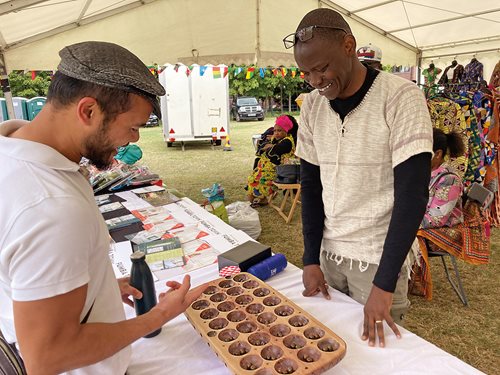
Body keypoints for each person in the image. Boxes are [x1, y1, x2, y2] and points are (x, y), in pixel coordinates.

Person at [0, 41, 206, 374]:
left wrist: (99, 287)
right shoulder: (51, 207)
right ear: (88, 111)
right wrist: (157, 317)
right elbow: (49, 356)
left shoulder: (12, 148)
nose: (135, 140)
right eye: (133, 127)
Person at [283, 8, 433, 347]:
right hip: (329, 257)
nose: (315, 80)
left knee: (378, 357)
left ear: (348, 45)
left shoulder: (401, 98)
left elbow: (412, 197)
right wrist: (310, 258)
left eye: (321, 68)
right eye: (306, 73)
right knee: (331, 348)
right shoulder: (311, 106)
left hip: (377, 259)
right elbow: (311, 185)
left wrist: (384, 283)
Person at [247, 115, 297, 207]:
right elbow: (265, 147)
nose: (276, 133)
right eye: (275, 131)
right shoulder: (280, 140)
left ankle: (262, 196)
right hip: (272, 169)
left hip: (280, 172)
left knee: (257, 180)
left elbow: (273, 151)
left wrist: (270, 146)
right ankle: (262, 198)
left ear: (286, 130)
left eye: (279, 130)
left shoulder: (287, 142)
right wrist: (270, 144)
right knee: (254, 177)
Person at [422, 129, 466, 229]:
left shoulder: (450, 179)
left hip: (440, 232)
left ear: (437, 154)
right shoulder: (422, 172)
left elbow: (435, 219)